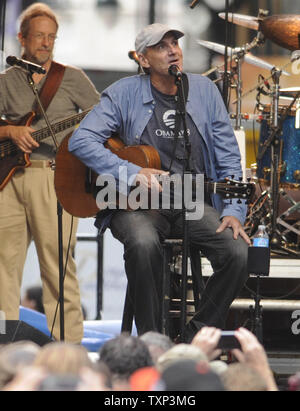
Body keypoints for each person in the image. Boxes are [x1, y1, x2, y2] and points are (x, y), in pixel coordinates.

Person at [69, 23, 250, 341]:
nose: (172, 49)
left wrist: (234, 208)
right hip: (134, 202)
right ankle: (153, 342)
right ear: (143, 59)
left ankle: (195, 337)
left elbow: (227, 156)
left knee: (237, 253)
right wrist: (131, 172)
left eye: (174, 43)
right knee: (142, 243)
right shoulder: (124, 92)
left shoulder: (205, 91)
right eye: (161, 46)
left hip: (189, 202)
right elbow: (81, 141)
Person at [0, 3, 100, 343]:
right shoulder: (5, 80)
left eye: (51, 37)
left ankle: (68, 349)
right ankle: (3, 343)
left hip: (52, 176)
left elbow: (101, 116)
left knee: (58, 268)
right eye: (39, 36)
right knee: (2, 267)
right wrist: (10, 132)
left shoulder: (71, 77)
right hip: (7, 180)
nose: (46, 43)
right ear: (22, 38)